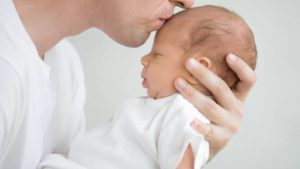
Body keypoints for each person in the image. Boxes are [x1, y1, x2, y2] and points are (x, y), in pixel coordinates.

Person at [0, 0, 256, 168]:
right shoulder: (7, 65)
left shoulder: (66, 67)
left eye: (157, 55)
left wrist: (191, 144)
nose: (187, 2)